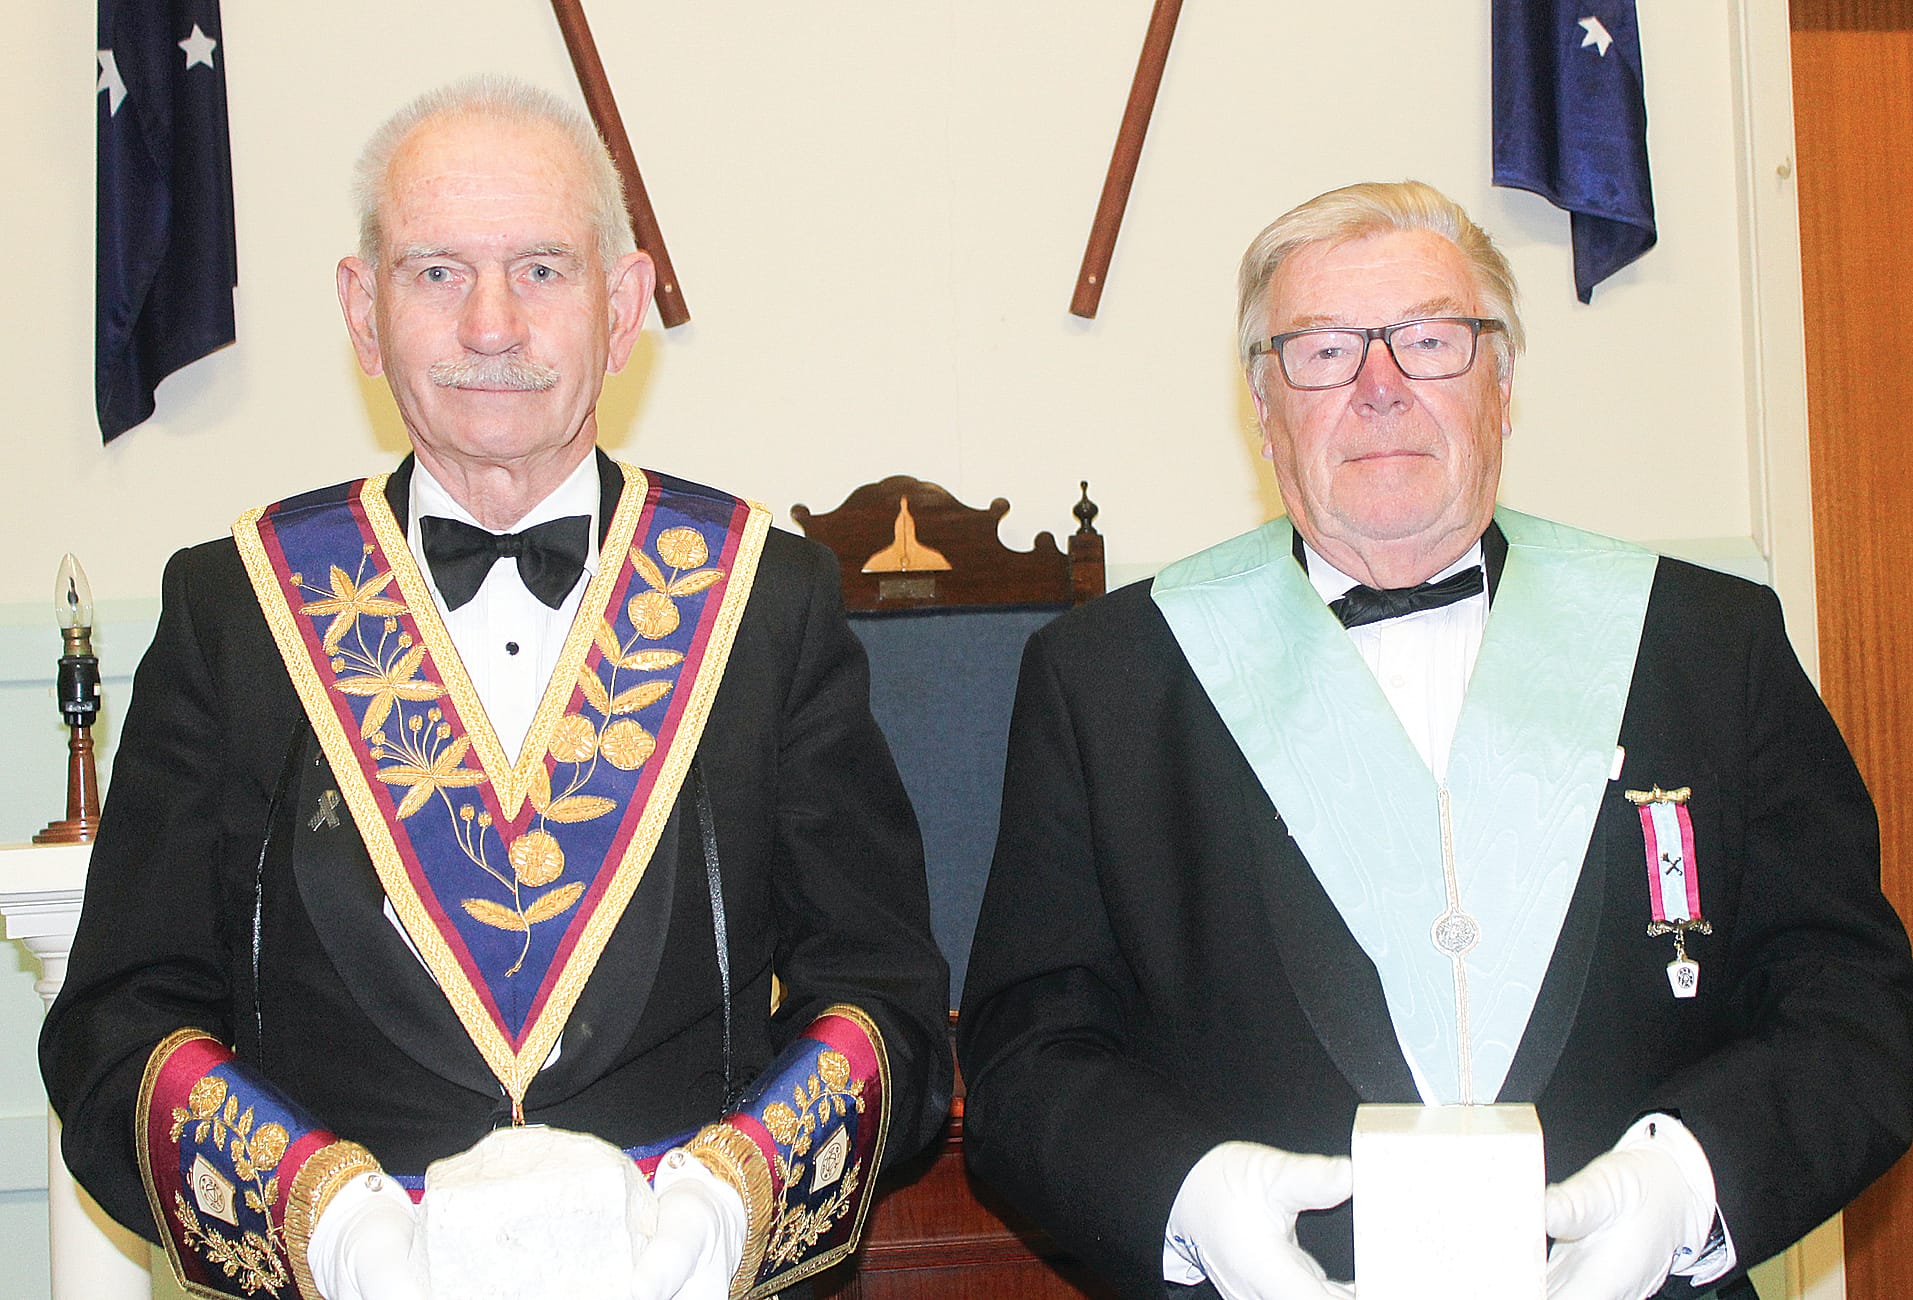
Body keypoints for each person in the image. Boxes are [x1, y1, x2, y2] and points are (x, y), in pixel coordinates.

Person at [42, 76, 951, 1300]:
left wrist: (722, 1207)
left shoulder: (763, 600)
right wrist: (329, 1224)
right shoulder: (237, 610)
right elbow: (116, 1031)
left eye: (540, 269)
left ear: (619, 309)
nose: (489, 326)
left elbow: (885, 1002)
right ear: (363, 313)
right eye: (435, 272)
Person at [957, 180, 1913, 1300]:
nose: (1379, 387)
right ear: (1261, 409)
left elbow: (1853, 1006)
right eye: (1322, 350)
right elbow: (1026, 1060)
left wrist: (1686, 1186)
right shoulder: (1105, 680)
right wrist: (1190, 1198)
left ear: (1501, 386)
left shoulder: (1708, 644)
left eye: (1427, 340)